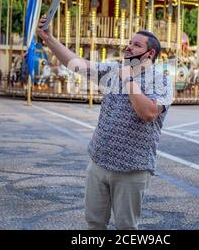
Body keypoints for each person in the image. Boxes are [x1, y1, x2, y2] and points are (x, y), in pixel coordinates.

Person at [37, 16, 173, 230]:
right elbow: (76, 64)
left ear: (150, 53)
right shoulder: (112, 71)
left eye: (136, 45)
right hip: (99, 162)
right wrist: (49, 39)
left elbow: (148, 113)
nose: (129, 47)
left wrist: (128, 79)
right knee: (94, 223)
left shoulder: (162, 81)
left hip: (132, 168)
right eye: (129, 43)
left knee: (126, 227)